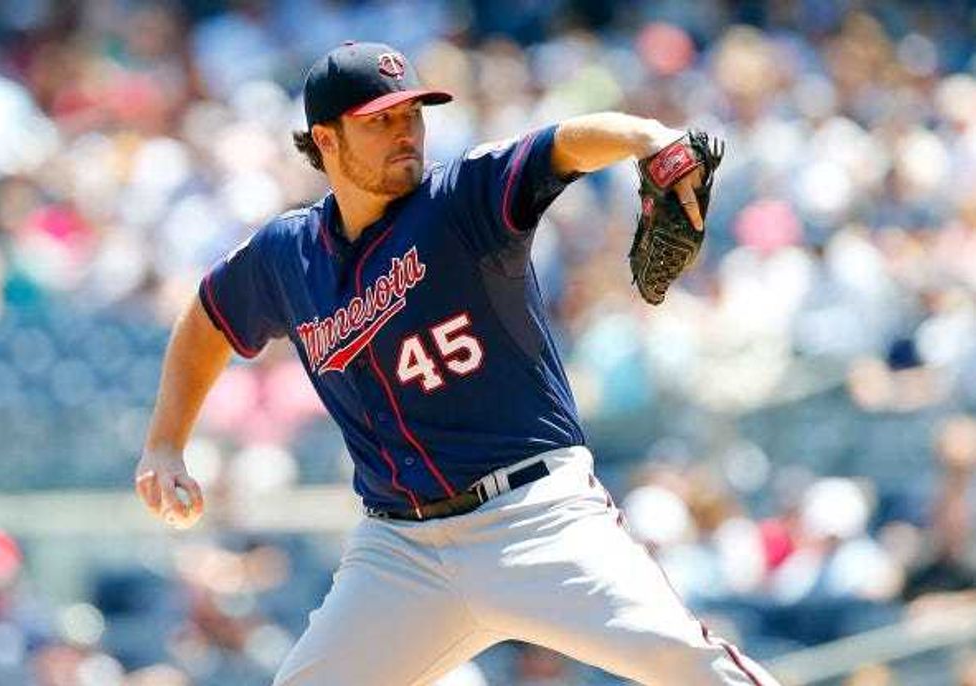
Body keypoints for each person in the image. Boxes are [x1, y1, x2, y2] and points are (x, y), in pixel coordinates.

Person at [135, 40, 780, 685]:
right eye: (379, 120)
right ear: (325, 140)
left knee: (681, 660)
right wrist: (165, 444)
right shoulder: (286, 256)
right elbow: (207, 318)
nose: (404, 132)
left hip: (534, 515)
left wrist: (649, 137)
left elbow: (561, 145)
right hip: (400, 552)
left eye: (411, 114)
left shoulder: (460, 202)